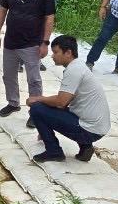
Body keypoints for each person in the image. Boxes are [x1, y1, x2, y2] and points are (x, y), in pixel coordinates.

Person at [27, 35, 111, 163]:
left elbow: (61, 101)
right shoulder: (79, 67)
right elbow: (63, 103)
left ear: (68, 53)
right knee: (47, 108)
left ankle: (53, 151)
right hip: (97, 127)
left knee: (37, 108)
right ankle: (85, 147)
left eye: (55, 52)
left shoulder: (74, 70)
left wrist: (38, 99)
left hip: (90, 129)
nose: (52, 56)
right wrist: (45, 125)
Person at [0, 0, 56, 118]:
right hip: (11, 40)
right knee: (8, 75)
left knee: (33, 79)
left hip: (32, 42)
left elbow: (49, 18)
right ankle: (13, 103)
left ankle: (35, 111)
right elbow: (2, 10)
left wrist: (45, 43)